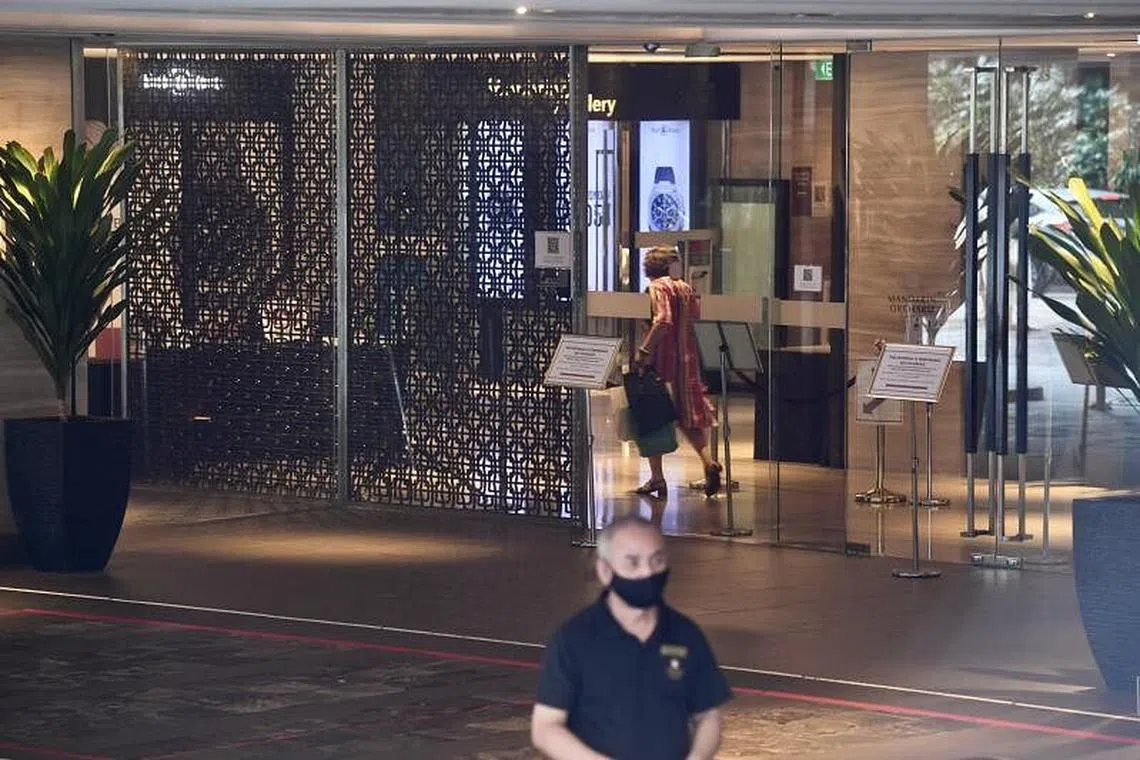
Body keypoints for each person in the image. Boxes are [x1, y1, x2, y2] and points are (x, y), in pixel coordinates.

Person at [531, 515, 732, 760]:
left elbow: (708, 715)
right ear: (605, 571)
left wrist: (697, 757)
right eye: (633, 563)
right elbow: (546, 728)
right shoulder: (573, 639)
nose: (647, 572)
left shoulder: (685, 634)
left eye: (656, 561)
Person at [631, 247, 722, 499]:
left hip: (661, 364)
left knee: (653, 418)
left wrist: (644, 350)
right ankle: (708, 462)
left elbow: (663, 320)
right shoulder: (685, 288)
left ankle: (657, 477)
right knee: (688, 418)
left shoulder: (657, 287)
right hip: (687, 362)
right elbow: (694, 317)